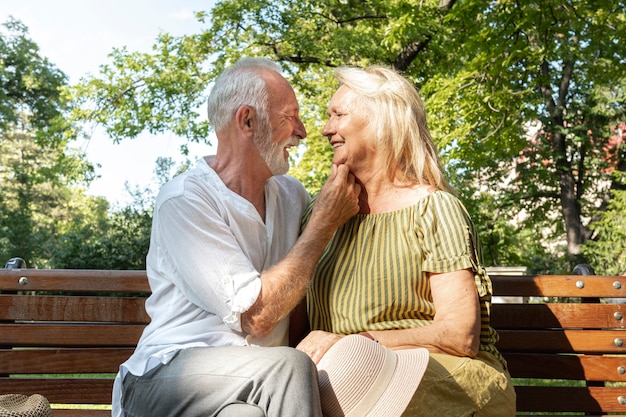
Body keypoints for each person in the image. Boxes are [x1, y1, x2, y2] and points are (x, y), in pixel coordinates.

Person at [112, 57, 361, 417]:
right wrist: (322, 224)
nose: (303, 131)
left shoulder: (293, 196)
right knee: (289, 367)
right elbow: (256, 316)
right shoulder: (185, 200)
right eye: (289, 116)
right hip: (165, 378)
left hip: (252, 389)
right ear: (247, 120)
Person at [292, 65, 517, 416]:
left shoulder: (434, 209)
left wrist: (357, 344)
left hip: (441, 374)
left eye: (338, 115)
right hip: (342, 382)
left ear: (382, 120)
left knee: (352, 379)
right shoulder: (319, 215)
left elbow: (460, 336)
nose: (326, 129)